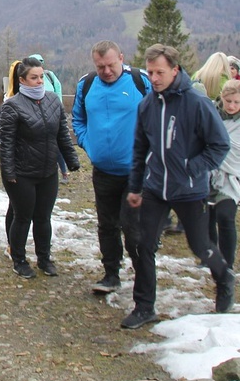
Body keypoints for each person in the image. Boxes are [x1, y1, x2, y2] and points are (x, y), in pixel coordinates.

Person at [125, 44, 234, 329]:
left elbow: (219, 143)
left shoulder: (196, 103)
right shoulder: (147, 105)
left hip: (190, 190)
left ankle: (224, 278)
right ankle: (144, 306)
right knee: (142, 245)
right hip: (155, 188)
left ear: (175, 70)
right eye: (150, 72)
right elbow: (139, 150)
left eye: (160, 72)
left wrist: (192, 168)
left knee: (200, 246)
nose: (154, 78)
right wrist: (136, 188)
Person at [71, 40, 152, 293]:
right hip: (103, 170)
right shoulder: (86, 84)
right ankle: (111, 274)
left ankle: (143, 277)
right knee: (106, 224)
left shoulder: (140, 81)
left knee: (133, 227)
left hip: (135, 172)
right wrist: (88, 144)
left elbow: (157, 116)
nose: (106, 71)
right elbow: (78, 118)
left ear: (121, 57)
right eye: (100, 66)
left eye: (110, 65)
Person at [0, 57, 80, 279]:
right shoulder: (12, 107)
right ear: (22, 80)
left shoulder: (53, 101)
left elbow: (62, 133)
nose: (39, 81)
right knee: (23, 217)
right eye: (34, 78)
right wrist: (8, 172)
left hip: (47, 171)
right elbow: (6, 143)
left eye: (41, 76)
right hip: (22, 174)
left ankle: (44, 258)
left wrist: (71, 159)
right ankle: (19, 260)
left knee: (43, 218)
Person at [208, 79, 240, 270]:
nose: (232, 106)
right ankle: (209, 257)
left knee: (225, 216)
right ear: (222, 98)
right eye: (229, 101)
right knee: (206, 219)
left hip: (232, 179)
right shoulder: (213, 116)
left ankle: (227, 264)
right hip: (209, 174)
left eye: (237, 102)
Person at [29, 53, 70, 183]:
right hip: (35, 119)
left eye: (40, 61)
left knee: (56, 144)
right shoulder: (29, 78)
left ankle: (64, 172)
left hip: (53, 116)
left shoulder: (50, 76)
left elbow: (58, 92)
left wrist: (58, 111)